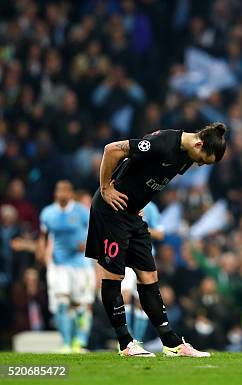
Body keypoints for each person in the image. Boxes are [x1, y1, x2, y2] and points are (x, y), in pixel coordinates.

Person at [85, 123, 227, 357]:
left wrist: (139, 203)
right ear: (199, 144)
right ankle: (125, 343)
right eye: (203, 159)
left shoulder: (186, 155)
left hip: (132, 214)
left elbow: (145, 176)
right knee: (113, 276)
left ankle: (171, 343)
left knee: (149, 276)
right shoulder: (162, 143)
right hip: (111, 210)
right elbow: (112, 150)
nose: (200, 164)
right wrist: (105, 188)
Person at [39, 180, 94, 353]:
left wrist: (87, 244)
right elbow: (44, 235)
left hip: (80, 265)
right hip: (59, 265)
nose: (61, 194)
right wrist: (42, 253)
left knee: (79, 306)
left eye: (65, 191)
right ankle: (66, 343)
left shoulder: (81, 212)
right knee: (61, 302)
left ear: (71, 193)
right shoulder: (48, 213)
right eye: (58, 190)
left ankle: (79, 341)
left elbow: (95, 230)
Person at [121, 201, 165, 343]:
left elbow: (160, 234)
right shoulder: (122, 202)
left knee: (142, 301)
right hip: (125, 256)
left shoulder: (151, 207)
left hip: (144, 257)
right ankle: (126, 340)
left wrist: (139, 228)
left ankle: (138, 340)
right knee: (125, 296)